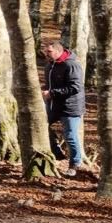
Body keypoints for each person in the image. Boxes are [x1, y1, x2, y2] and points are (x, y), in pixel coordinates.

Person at [43, 39, 86, 176]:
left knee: (70, 135)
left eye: (49, 52)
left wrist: (52, 93)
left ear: (58, 51)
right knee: (40, 126)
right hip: (53, 105)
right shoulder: (50, 65)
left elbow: (75, 87)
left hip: (70, 107)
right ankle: (57, 154)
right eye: (45, 51)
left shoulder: (71, 65)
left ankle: (75, 163)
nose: (46, 54)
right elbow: (49, 84)